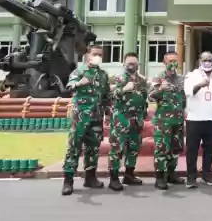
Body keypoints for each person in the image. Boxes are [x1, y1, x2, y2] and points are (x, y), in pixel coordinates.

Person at [61, 45, 111, 196]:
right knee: (74, 147)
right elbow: (68, 88)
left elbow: (106, 96)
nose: (97, 57)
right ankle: (68, 180)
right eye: (95, 54)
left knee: (93, 148)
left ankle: (90, 178)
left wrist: (108, 113)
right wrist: (79, 83)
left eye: (100, 55)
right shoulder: (79, 71)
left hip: (97, 117)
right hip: (80, 117)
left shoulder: (103, 75)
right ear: (88, 55)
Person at [184, 51, 212, 188]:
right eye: (205, 60)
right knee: (192, 149)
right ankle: (191, 177)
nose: (207, 62)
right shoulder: (192, 75)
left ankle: (207, 174)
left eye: (210, 60)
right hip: (194, 118)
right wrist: (199, 85)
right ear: (199, 61)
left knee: (209, 149)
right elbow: (188, 92)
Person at [107, 52, 148, 191]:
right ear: (124, 64)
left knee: (134, 148)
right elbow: (109, 95)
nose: (132, 66)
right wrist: (123, 89)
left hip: (137, 120)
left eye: (135, 64)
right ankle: (114, 178)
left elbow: (144, 98)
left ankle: (129, 175)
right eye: (130, 64)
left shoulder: (141, 80)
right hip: (121, 119)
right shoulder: (117, 79)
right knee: (117, 148)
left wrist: (143, 114)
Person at [148, 51, 185, 190]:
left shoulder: (181, 79)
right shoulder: (158, 78)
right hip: (163, 121)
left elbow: (184, 98)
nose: (173, 63)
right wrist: (160, 90)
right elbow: (150, 97)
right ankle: (159, 177)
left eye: (175, 61)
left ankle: (171, 174)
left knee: (175, 149)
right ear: (164, 62)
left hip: (178, 120)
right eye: (170, 61)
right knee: (162, 149)